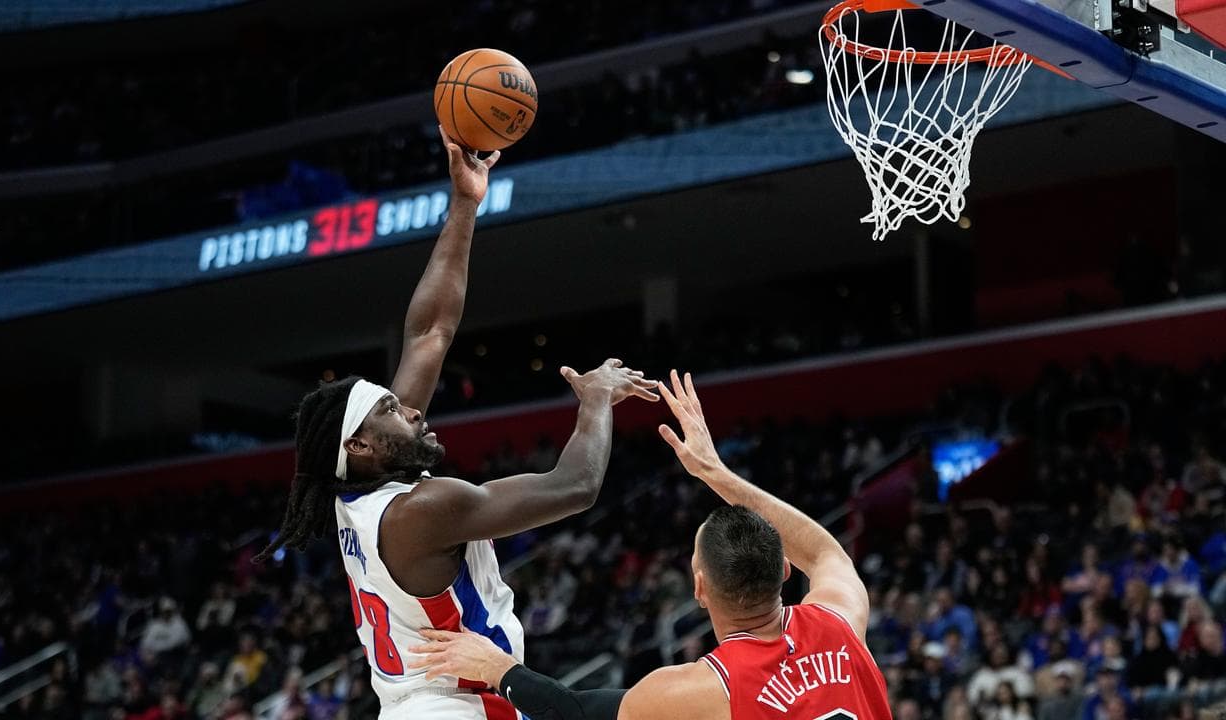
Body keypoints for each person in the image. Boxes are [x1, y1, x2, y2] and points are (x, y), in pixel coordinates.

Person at [257, 128, 659, 720]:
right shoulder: (420, 510)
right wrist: (596, 400)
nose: (412, 408)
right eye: (390, 410)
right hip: (453, 708)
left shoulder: (356, 488)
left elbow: (430, 333)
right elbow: (574, 487)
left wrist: (465, 202)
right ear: (360, 444)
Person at [408, 370, 892, 720]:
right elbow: (823, 550)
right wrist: (716, 474)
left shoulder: (702, 689)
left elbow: (575, 713)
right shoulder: (839, 621)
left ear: (699, 588)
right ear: (785, 569)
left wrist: (497, 668)